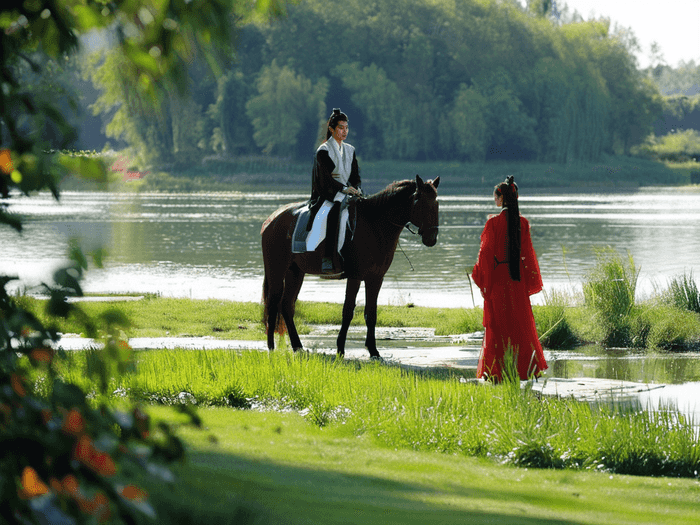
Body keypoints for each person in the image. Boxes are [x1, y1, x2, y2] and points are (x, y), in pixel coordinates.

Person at [471, 175, 547, 381]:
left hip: (498, 280)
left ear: (500, 199)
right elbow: (529, 255)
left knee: (498, 327)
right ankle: (526, 369)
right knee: (520, 326)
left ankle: (497, 371)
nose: (494, 200)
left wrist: (477, 274)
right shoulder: (522, 223)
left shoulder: (493, 224)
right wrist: (529, 282)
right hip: (517, 280)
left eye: (495, 197)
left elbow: (485, 255)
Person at [308, 108, 362, 273]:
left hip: (348, 192)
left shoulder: (350, 150)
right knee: (335, 209)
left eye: (346, 127)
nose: (344, 131)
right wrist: (344, 189)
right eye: (341, 127)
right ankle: (328, 257)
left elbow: (355, 175)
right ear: (332, 129)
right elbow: (325, 179)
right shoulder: (324, 151)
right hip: (327, 193)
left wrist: (357, 188)